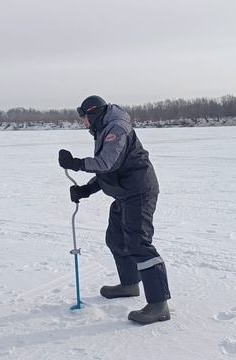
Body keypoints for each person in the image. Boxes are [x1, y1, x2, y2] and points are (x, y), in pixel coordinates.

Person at [58, 95, 171, 325]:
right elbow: (110, 171)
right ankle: (129, 284)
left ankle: (159, 305)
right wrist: (86, 190)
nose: (84, 123)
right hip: (124, 193)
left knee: (139, 244)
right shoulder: (103, 128)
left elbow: (107, 163)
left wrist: (76, 163)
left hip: (138, 192)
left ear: (94, 113)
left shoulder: (116, 128)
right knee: (116, 239)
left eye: (85, 118)